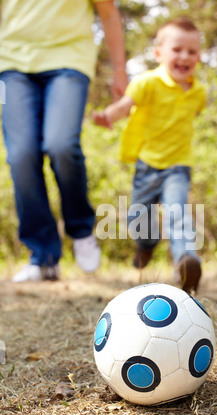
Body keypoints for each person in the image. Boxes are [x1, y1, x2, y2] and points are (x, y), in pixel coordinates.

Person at [0, 0, 127, 282]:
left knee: (61, 144)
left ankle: (81, 229)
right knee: (20, 155)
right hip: (9, 68)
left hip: (69, 61)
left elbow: (108, 12)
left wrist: (120, 69)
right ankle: (42, 255)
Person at [93, 17, 206, 293]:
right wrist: (107, 116)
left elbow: (194, 115)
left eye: (191, 52)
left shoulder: (198, 92)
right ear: (159, 54)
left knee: (178, 214)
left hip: (178, 166)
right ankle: (146, 245)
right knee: (137, 220)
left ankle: (185, 261)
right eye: (177, 49)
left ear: (199, 57)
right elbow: (125, 106)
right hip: (147, 165)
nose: (184, 57)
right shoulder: (147, 82)